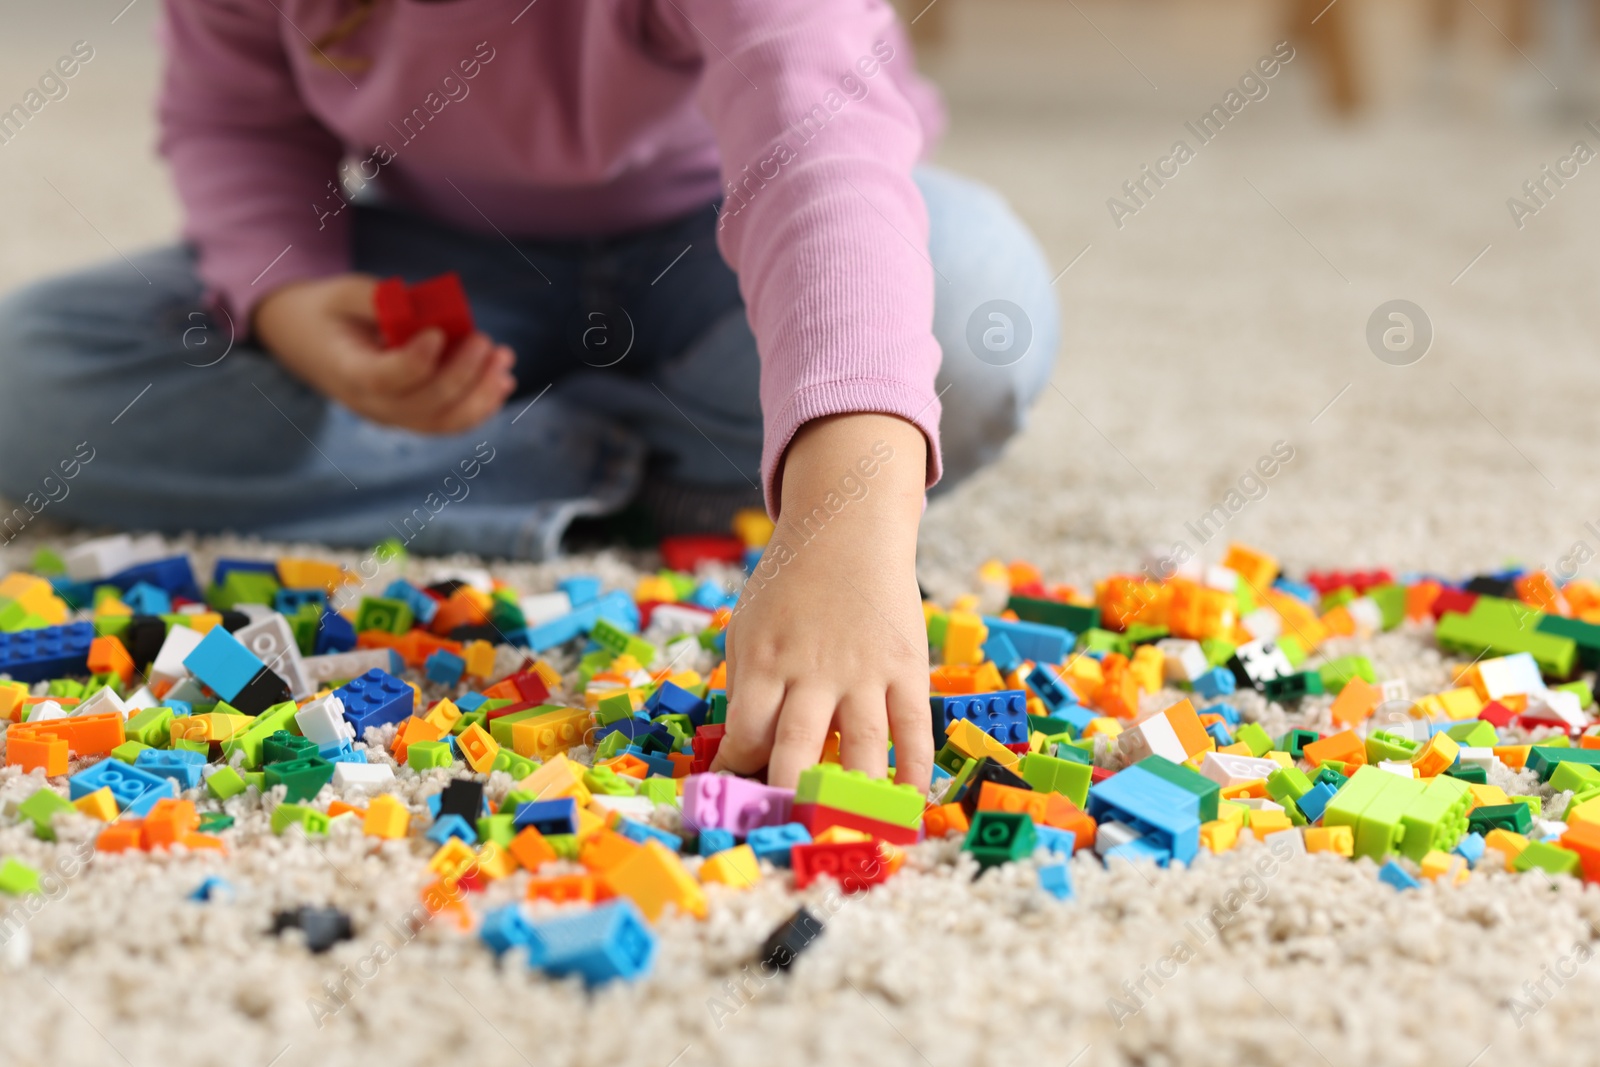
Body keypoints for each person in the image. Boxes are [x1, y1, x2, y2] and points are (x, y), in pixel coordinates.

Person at [0, 0, 1058, 790]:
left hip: (719, 239)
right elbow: (237, 122)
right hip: (443, 264)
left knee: (975, 302)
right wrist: (292, 298)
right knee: (29, 374)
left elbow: (817, 157)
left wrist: (844, 524)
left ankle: (578, 457)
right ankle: (631, 461)